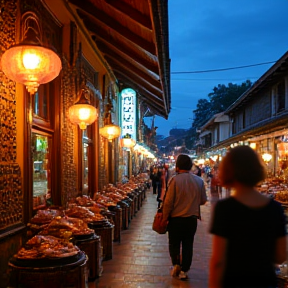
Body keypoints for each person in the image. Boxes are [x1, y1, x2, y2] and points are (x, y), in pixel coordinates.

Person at [209, 146, 287, 288]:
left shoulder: (225, 208)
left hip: (234, 281)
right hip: (265, 281)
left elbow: (218, 260)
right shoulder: (275, 208)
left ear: (228, 171)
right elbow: (281, 256)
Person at [161, 154, 207, 280]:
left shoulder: (174, 180)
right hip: (191, 219)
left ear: (178, 165)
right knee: (188, 244)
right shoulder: (199, 181)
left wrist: (164, 218)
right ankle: (184, 270)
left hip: (176, 219)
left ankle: (176, 264)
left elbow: (168, 202)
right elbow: (203, 200)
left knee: (174, 243)